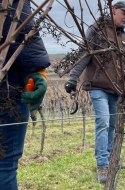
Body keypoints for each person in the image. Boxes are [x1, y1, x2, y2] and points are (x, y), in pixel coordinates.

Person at [64, 1, 125, 183]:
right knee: (103, 122)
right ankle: (102, 166)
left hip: (116, 89)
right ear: (113, 11)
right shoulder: (97, 29)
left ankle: (112, 161)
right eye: (124, 13)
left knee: (112, 124)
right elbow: (85, 52)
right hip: (97, 85)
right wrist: (73, 78)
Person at [0, 0, 50, 189]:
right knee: (4, 163)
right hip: (9, 86)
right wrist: (37, 69)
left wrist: (36, 71)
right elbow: (22, 22)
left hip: (10, 82)